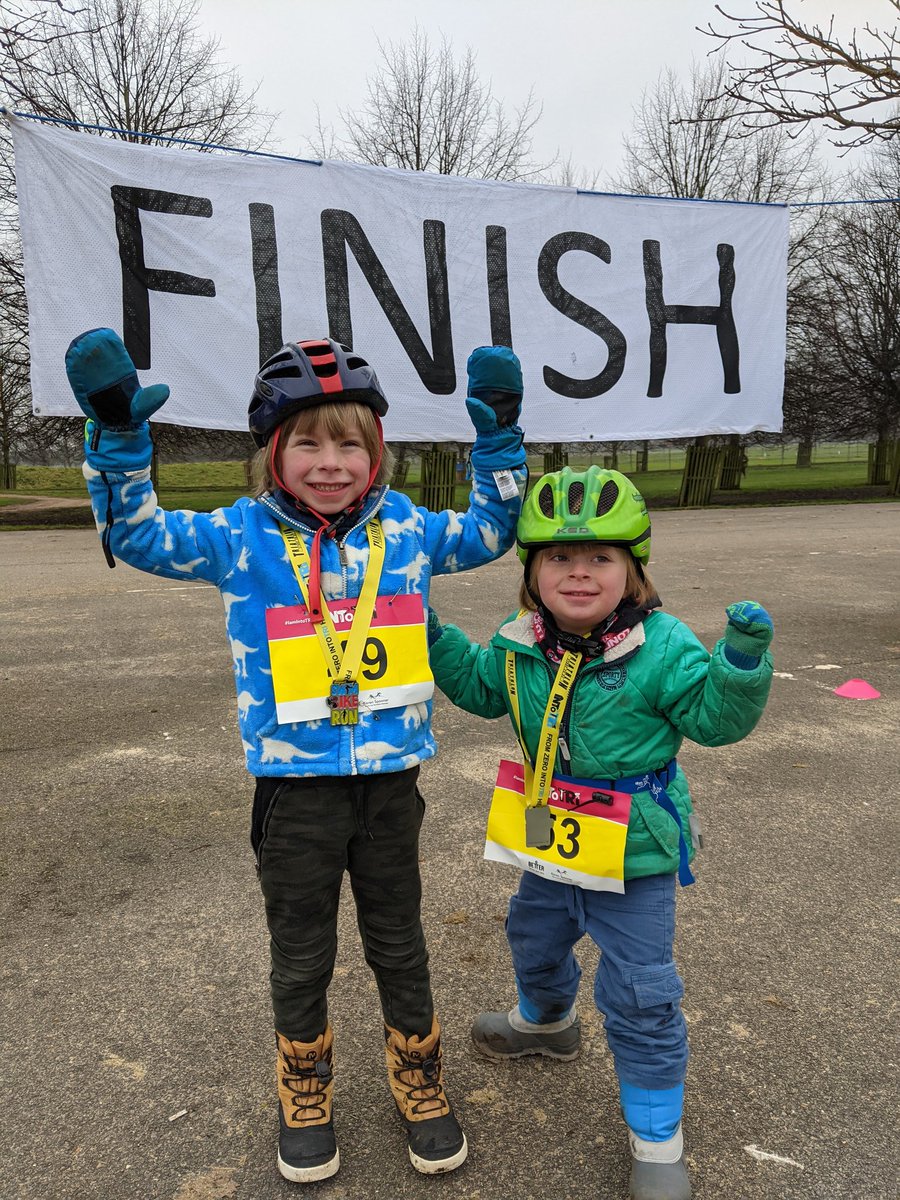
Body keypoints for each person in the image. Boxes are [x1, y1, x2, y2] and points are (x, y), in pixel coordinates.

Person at [64, 330, 528, 1184]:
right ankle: (304, 1086)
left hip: (390, 783)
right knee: (301, 951)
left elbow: (494, 529)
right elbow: (137, 536)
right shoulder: (238, 536)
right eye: (308, 443)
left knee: (399, 940)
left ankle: (418, 1073)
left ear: (376, 452)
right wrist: (121, 443)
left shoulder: (409, 529)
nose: (331, 463)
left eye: (350, 443)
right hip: (292, 792)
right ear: (271, 453)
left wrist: (498, 438)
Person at [426, 466, 774, 1200]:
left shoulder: (663, 644)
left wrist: (739, 667)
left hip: (634, 853)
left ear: (632, 571)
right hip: (550, 836)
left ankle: (657, 1144)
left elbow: (714, 722)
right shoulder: (520, 640)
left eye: (600, 558)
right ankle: (546, 1022)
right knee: (533, 936)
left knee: (641, 993)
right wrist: (429, 635)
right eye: (558, 557)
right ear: (532, 572)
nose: (578, 572)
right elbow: (482, 688)